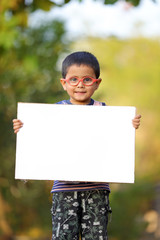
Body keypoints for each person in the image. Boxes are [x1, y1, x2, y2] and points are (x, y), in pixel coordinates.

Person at [13, 51, 141, 240]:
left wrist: (129, 126)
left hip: (97, 190)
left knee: (95, 236)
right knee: (63, 236)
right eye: (73, 79)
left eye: (87, 79)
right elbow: (41, 140)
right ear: (64, 83)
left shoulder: (105, 112)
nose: (80, 84)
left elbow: (114, 141)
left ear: (97, 83)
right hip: (63, 190)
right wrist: (24, 127)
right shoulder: (53, 113)